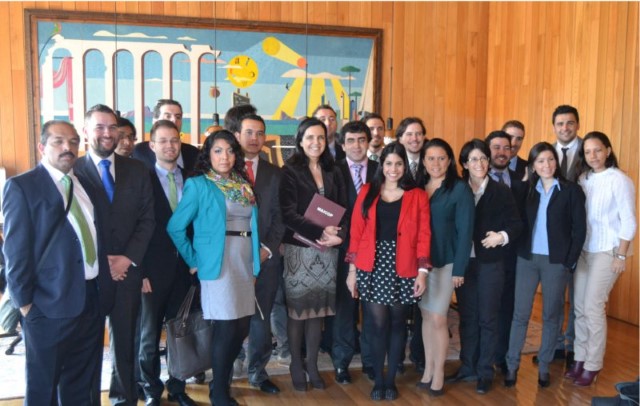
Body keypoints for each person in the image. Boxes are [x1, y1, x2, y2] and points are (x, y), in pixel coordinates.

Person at [3, 120, 107, 405]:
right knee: (42, 386)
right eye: (58, 142)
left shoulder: (84, 184)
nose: (68, 148)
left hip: (89, 300)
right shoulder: (22, 187)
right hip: (46, 305)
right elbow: (15, 252)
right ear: (42, 147)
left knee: (80, 382)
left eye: (73, 142)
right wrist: (25, 304)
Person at [167, 129, 261, 406]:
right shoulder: (199, 185)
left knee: (241, 326)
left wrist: (255, 263)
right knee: (225, 329)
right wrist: (193, 261)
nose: (225, 156)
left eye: (230, 150)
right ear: (208, 154)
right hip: (217, 265)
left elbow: (252, 227)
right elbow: (175, 227)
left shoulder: (243, 185)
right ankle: (219, 391)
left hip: (243, 261)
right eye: (218, 150)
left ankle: (219, 384)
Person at [74, 104, 155, 406]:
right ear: (86, 131)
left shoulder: (137, 170)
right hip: (88, 273)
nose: (107, 133)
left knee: (126, 342)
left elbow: (147, 220)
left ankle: (124, 399)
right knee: (87, 344)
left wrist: (126, 259)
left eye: (112, 127)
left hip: (127, 271)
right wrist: (103, 259)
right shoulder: (73, 170)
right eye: (99, 127)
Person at [346, 142, 431, 401]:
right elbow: (356, 232)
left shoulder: (416, 194)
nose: (393, 169)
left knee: (397, 325)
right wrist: (352, 271)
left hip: (404, 266)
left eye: (398, 163)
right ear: (381, 166)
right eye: (388, 163)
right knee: (376, 324)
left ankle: (391, 379)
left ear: (405, 166)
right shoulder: (368, 191)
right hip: (372, 265)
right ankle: (378, 378)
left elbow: (424, 235)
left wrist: (422, 272)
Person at [504, 142, 586, 389]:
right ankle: (511, 366)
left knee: (552, 315)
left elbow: (579, 229)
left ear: (556, 162)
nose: (546, 165)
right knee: (520, 314)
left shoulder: (571, 190)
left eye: (550, 160)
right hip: (527, 259)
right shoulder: (525, 190)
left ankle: (544, 367)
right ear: (533, 165)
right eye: (540, 161)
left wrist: (568, 262)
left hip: (555, 262)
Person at [447, 139, 522, 395]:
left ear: (488, 162)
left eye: (483, 159)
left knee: (488, 318)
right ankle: (468, 366)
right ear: (464, 164)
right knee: (467, 317)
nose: (479, 163)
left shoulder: (501, 191)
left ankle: (485, 371)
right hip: (464, 264)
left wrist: (501, 236)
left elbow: (516, 224)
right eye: (473, 159)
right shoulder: (458, 189)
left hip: (491, 263)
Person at [279, 117, 347, 391]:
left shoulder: (334, 170)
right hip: (300, 250)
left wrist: (339, 234)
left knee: (317, 311)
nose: (316, 142)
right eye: (310, 137)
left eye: (320, 137)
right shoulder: (290, 171)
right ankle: (297, 363)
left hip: (327, 251)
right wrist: (320, 231)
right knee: (298, 312)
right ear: (300, 140)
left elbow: (344, 207)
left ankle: (313, 365)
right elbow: (287, 213)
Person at [567, 132, 637, 386]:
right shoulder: (583, 179)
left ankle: (593, 364)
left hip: (608, 251)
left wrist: (621, 254)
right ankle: (580, 358)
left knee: (593, 307)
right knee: (579, 307)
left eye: (597, 150)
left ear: (608, 150)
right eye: (587, 152)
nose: (592, 156)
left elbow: (629, 220)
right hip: (585, 250)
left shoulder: (620, 180)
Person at [138, 120, 197, 406]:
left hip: (186, 272)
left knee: (180, 333)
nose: (170, 146)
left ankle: (177, 387)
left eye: (174, 140)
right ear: (152, 146)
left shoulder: (194, 178)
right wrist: (140, 271)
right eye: (163, 141)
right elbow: (134, 229)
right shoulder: (141, 179)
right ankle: (151, 390)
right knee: (148, 336)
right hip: (151, 272)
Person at [417, 138, 474, 397]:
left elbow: (465, 232)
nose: (436, 163)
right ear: (423, 161)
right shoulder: (418, 187)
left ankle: (439, 372)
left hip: (447, 262)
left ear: (449, 161)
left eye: (441, 158)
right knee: (426, 316)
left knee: (439, 318)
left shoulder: (459, 189)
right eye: (430, 158)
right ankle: (428, 370)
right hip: (421, 265)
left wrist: (460, 269)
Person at [233, 114, 286, 394]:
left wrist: (265, 250)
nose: (254, 138)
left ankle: (258, 372)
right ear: (238, 135)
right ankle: (226, 366)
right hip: (230, 259)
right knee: (230, 317)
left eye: (260, 133)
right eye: (249, 132)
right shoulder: (224, 171)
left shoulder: (275, 173)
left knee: (261, 317)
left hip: (266, 258)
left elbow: (280, 216)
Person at [333, 120, 379, 384]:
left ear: (369, 141)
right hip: (342, 249)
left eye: (361, 139)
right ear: (342, 144)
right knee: (344, 308)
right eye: (351, 140)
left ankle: (371, 361)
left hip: (375, 249)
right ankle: (342, 362)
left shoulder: (381, 169)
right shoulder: (333, 170)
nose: (357, 145)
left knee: (372, 308)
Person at [485, 130, 527, 375]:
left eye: (506, 148)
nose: (501, 152)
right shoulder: (473, 176)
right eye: (496, 147)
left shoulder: (520, 182)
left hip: (512, 256)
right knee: (484, 310)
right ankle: (481, 356)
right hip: (482, 255)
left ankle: (500, 356)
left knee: (506, 308)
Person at [133, 99, 199, 172]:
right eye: (168, 116)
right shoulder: (139, 152)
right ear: (155, 120)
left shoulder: (194, 153)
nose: (174, 120)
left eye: (178, 117)